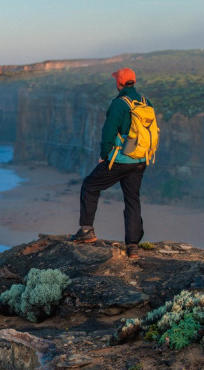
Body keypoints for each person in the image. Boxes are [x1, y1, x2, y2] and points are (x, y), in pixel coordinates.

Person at [70, 68, 151, 259]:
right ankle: (132, 247)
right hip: (140, 159)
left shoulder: (119, 104)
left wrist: (104, 154)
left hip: (120, 159)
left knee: (90, 185)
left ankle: (87, 231)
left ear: (119, 83)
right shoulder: (145, 102)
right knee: (132, 199)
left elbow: (108, 133)